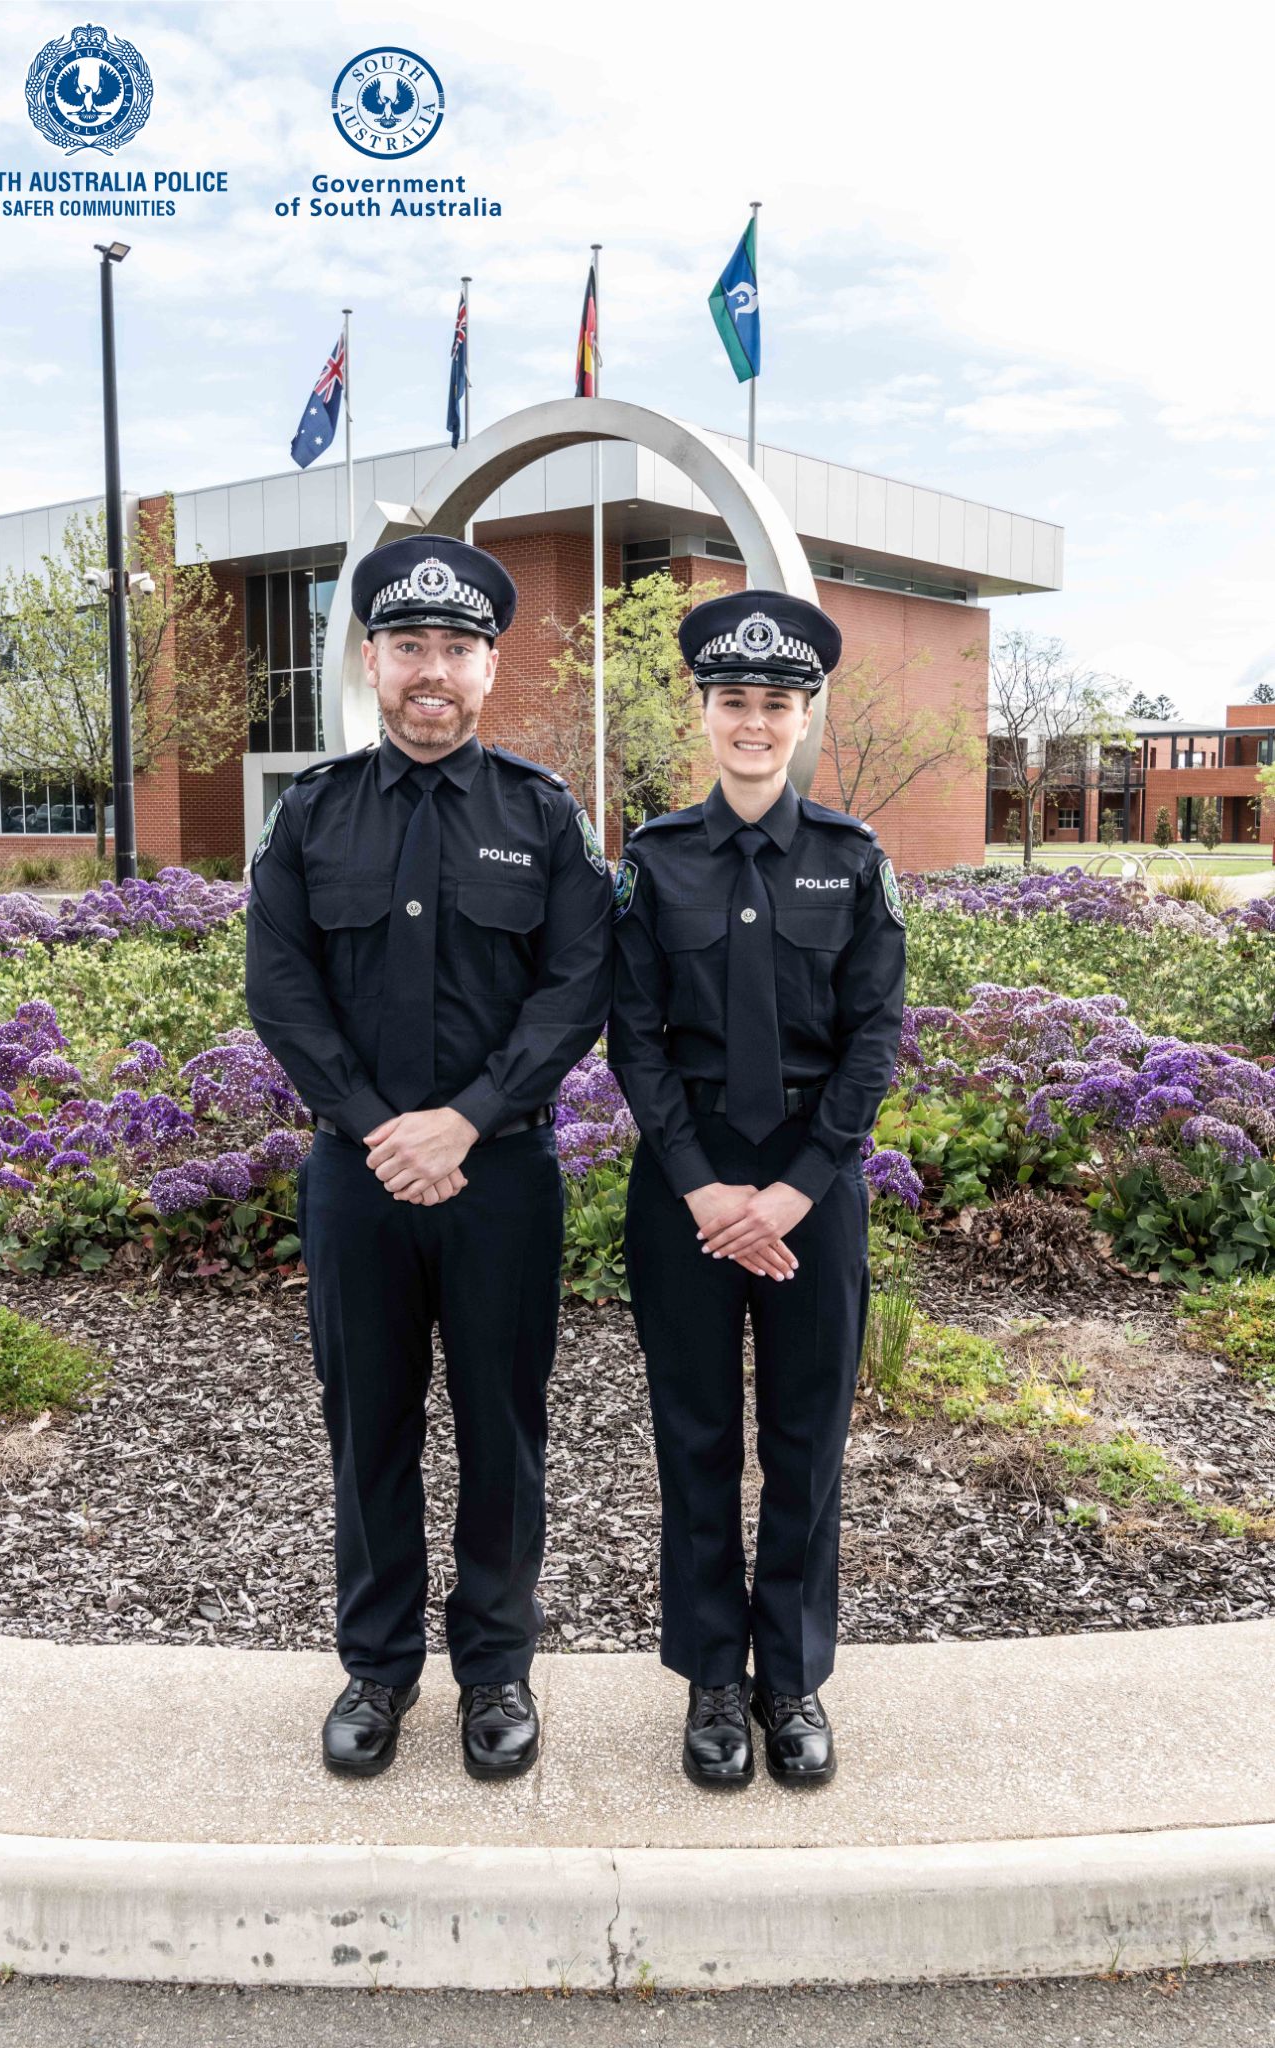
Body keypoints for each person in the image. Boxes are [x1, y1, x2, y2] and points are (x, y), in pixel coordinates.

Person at [245, 534, 613, 1782]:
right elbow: (281, 990)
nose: (432, 672)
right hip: (357, 1177)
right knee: (370, 1426)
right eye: (409, 648)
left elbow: (576, 990)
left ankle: (497, 1669)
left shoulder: (542, 814)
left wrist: (464, 1118)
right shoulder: (312, 813)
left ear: (490, 665)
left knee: (504, 1428)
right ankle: (378, 1666)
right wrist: (373, 1124)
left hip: (500, 1173)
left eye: (456, 649)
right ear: (371, 659)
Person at [608, 589, 906, 1790]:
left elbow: (876, 1037)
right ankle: (713, 1684)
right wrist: (701, 1188)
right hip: (683, 1189)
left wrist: (789, 1191)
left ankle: (790, 1678)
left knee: (805, 1439)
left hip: (810, 1188)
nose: (753, 722)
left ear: (802, 718)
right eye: (734, 701)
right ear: (708, 712)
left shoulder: (853, 858)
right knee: (694, 1439)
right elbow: (632, 1038)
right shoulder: (654, 860)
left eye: (775, 704)